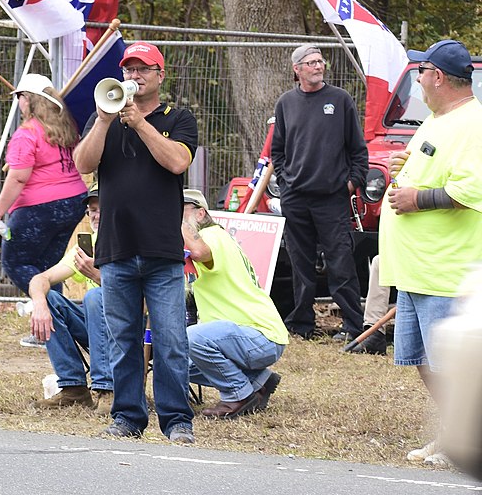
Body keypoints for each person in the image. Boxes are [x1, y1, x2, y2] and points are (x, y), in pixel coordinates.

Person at [73, 41, 198, 444]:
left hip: (161, 250)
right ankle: (127, 417)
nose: (134, 76)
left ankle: (177, 420)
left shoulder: (177, 118)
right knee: (122, 342)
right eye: (128, 69)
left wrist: (140, 123)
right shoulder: (107, 121)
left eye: (143, 69)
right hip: (116, 248)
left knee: (171, 341)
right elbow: (82, 164)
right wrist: (105, 121)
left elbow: (177, 162)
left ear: (160, 76)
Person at [378, 39, 482, 465]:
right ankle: (454, 431)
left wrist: (417, 198)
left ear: (437, 76)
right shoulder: (436, 120)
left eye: (420, 73)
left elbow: (470, 189)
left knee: (450, 367)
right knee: (423, 361)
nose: (417, 81)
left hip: (446, 269)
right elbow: (433, 167)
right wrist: (407, 169)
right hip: (416, 268)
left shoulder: (473, 123)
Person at [270, 45, 368, 341]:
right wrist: (287, 183)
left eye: (320, 61)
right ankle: (301, 323)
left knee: (340, 262)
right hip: (296, 198)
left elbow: (358, 151)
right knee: (301, 263)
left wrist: (350, 184)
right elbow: (278, 151)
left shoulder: (340, 100)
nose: (318, 66)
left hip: (331, 198)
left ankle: (353, 325)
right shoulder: (286, 103)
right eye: (311, 63)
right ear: (297, 69)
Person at [0, 73, 87, 349]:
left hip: (38, 208)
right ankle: (54, 327)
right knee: (48, 268)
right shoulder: (66, 128)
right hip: (73, 202)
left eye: (19, 98)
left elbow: (18, 178)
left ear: (28, 100)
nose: (18, 104)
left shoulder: (26, 133)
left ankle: (53, 315)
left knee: (15, 263)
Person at [180, 189, 287, 418]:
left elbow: (198, 251)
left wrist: (176, 223)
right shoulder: (216, 237)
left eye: (180, 211)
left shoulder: (211, 237)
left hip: (258, 335)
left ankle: (238, 394)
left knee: (191, 339)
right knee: (176, 362)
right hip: (250, 335)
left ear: (200, 214)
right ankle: (258, 381)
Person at [28, 190, 113, 411]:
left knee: (94, 296)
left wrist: (95, 275)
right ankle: (73, 388)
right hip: (96, 326)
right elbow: (41, 278)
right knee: (49, 297)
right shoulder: (86, 248)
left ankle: (107, 389)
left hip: (130, 326)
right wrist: (39, 304)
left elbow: (138, 295)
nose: (96, 216)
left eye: (102, 210)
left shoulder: (131, 242)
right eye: (92, 210)